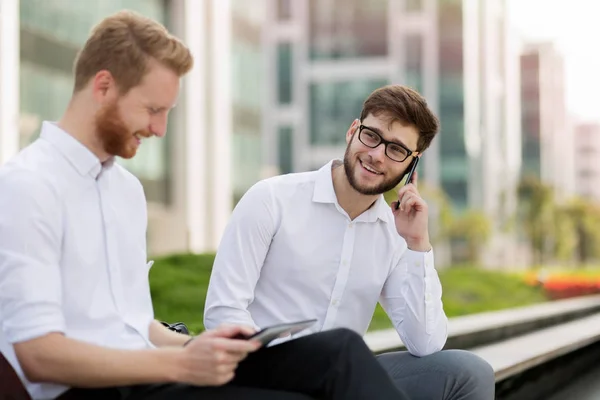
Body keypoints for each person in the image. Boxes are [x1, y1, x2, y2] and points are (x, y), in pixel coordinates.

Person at [0, 11, 412, 400]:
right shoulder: (28, 186)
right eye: (153, 109)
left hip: (149, 373)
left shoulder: (124, 190)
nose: (159, 129)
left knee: (336, 352)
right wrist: (179, 363)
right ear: (103, 86)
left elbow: (133, 324)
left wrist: (205, 345)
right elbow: (38, 356)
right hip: (95, 390)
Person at [204, 84, 496, 399]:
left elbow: (425, 342)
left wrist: (417, 244)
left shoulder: (395, 234)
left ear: (412, 163)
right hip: (266, 375)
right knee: (342, 358)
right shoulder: (271, 199)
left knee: (468, 373)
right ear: (353, 131)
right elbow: (223, 310)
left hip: (343, 380)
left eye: (396, 149)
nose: (376, 155)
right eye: (371, 136)